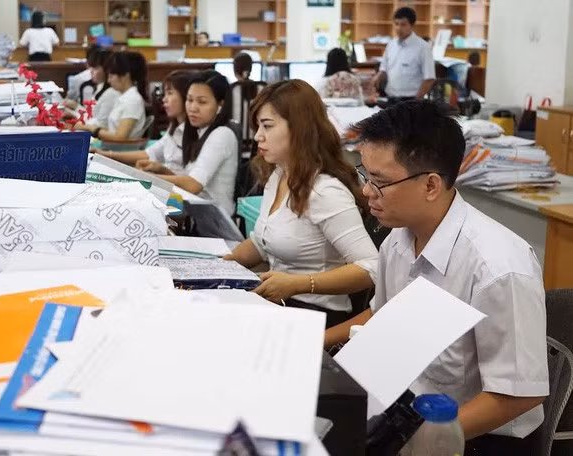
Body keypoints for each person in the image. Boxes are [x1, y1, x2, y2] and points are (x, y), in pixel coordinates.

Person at [324, 100, 548, 454]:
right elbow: (382, 315)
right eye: (365, 175)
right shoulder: (397, 240)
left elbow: (519, 394)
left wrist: (421, 439)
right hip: (405, 412)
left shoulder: (497, 267)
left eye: (380, 183)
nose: (366, 192)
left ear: (431, 185)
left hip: (476, 438)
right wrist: (317, 345)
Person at [224, 80, 378, 327]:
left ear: (299, 129)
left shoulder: (325, 191)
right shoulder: (278, 175)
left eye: (267, 126)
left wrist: (298, 284)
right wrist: (218, 266)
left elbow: (371, 267)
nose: (258, 136)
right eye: (258, 126)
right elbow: (262, 242)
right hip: (281, 305)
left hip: (315, 314)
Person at [137, 70, 238, 215]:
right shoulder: (199, 131)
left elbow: (193, 185)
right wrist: (161, 169)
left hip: (212, 218)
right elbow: (189, 179)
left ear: (220, 105)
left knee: (144, 207)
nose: (192, 108)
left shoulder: (222, 134)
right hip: (193, 209)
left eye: (202, 102)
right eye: (190, 100)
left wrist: (146, 178)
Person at [98, 70, 193, 174]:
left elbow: (191, 179)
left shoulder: (195, 133)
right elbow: (150, 153)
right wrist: (106, 155)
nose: (164, 99)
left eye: (170, 93)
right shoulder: (174, 127)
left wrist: (163, 172)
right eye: (165, 94)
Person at [77, 51, 147, 141]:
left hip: (118, 148)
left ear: (125, 76)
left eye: (111, 76)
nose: (109, 81)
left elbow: (120, 137)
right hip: (110, 145)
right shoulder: (124, 97)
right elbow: (113, 130)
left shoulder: (132, 100)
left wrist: (90, 128)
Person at [371, 7, 435, 103]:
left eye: (403, 25)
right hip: (391, 99)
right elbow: (383, 69)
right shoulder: (391, 44)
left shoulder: (423, 47)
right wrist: (377, 77)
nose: (399, 28)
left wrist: (417, 100)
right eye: (396, 24)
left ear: (412, 25)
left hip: (411, 100)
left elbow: (429, 79)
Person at [74, 48, 118, 128]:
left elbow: (101, 124)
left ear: (107, 70)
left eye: (95, 68)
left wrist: (75, 111)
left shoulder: (111, 93)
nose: (91, 71)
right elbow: (92, 116)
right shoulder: (99, 87)